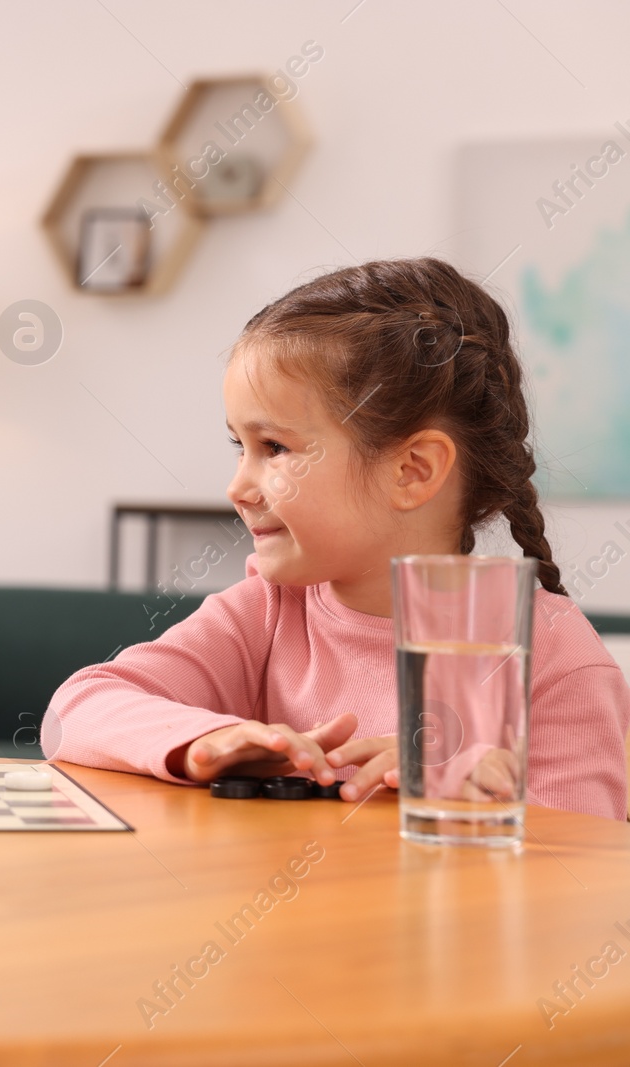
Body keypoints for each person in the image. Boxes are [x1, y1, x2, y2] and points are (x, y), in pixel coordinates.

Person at [42, 257, 630, 821]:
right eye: (238, 447)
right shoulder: (267, 615)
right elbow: (75, 712)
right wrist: (208, 739)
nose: (237, 487)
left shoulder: (553, 657)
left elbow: (586, 879)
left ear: (413, 471)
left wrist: (464, 791)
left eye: (274, 448)